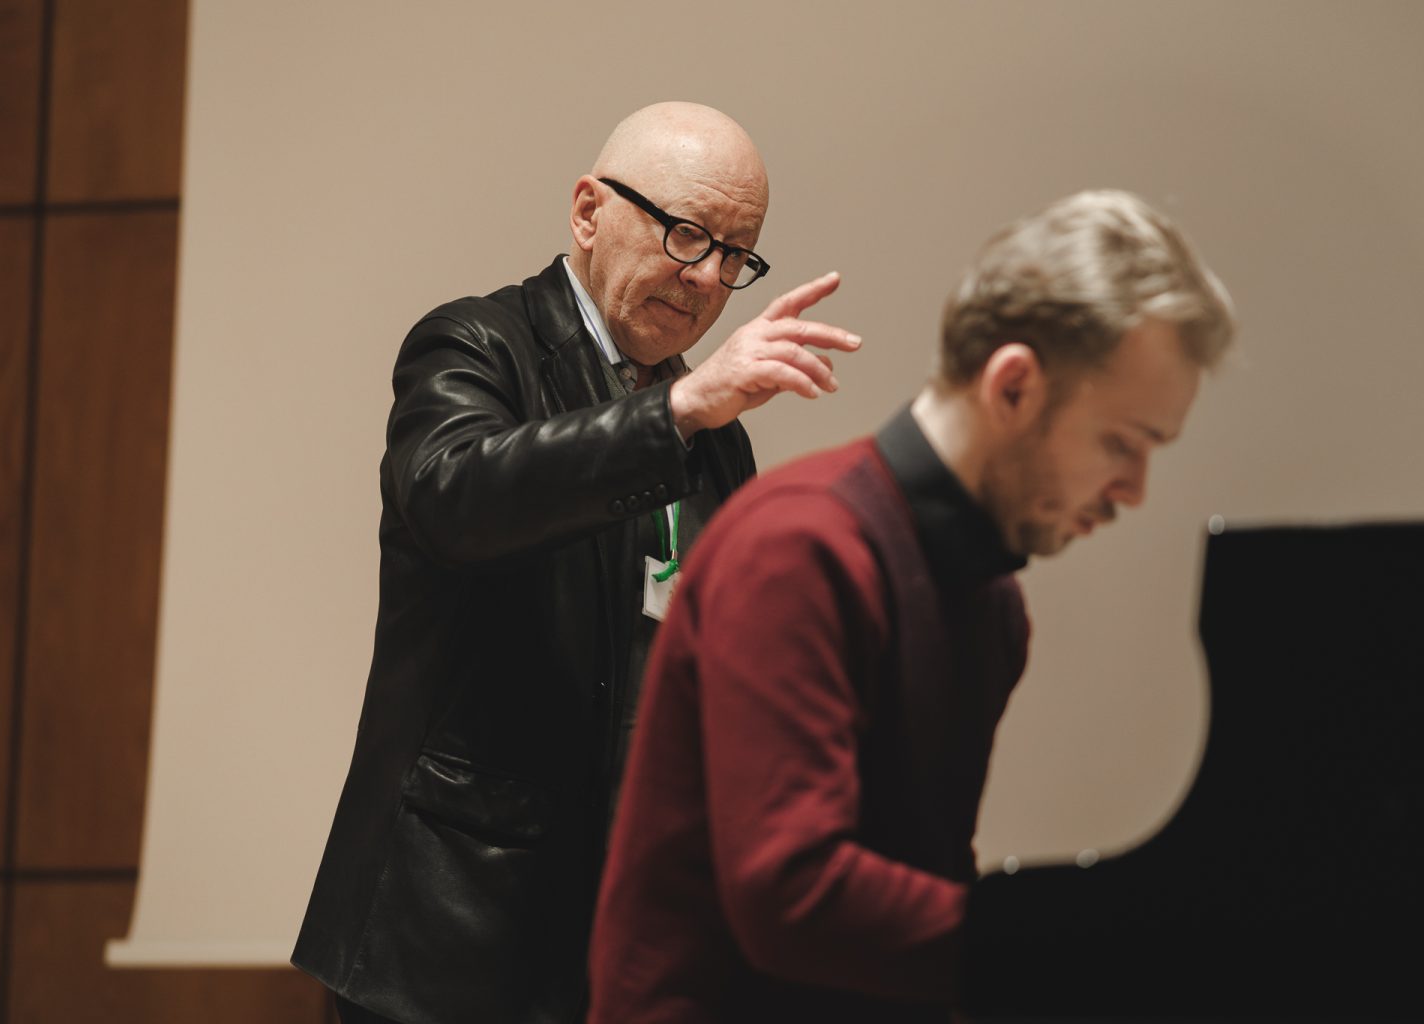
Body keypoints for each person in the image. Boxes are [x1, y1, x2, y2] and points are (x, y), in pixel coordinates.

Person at [587, 189, 1236, 1023]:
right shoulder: (799, 551)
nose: (1135, 490)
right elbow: (792, 895)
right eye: (1122, 443)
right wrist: (1066, 955)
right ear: (1013, 387)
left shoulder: (991, 600)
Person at [291, 102, 861, 1024]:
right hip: (448, 930)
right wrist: (677, 414)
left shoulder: (714, 433)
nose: (706, 277)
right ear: (590, 212)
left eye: (735, 254)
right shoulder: (476, 344)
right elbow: (455, 500)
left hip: (617, 931)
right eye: (686, 234)